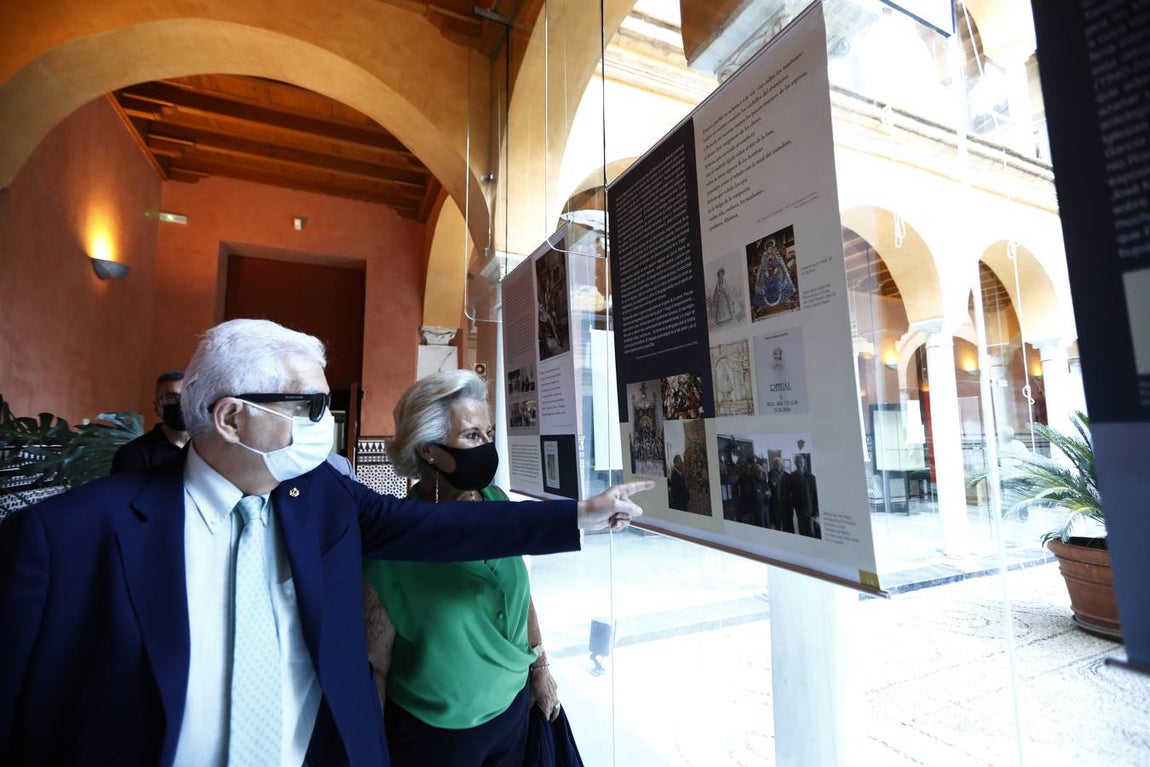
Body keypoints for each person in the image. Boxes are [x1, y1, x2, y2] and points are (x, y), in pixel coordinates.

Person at [0, 318, 651, 767]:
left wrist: (577, 517)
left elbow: (442, 526)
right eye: (308, 408)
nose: (326, 424)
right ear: (231, 416)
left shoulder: (325, 500)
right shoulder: (63, 540)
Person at [361, 370, 560, 766]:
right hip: (436, 739)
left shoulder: (496, 502)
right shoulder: (391, 542)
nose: (487, 446)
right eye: (472, 436)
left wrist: (540, 671)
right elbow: (375, 669)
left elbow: (519, 594)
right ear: (428, 450)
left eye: (488, 433)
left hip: (513, 710)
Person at [111, 370, 190, 473]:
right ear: (156, 407)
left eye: (187, 397)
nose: (180, 404)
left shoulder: (208, 449)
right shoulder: (132, 454)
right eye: (171, 398)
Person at [787, 453, 820, 538]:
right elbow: (790, 493)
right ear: (795, 463)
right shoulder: (791, 477)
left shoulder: (811, 477)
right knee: (802, 531)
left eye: (801, 462)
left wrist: (816, 512)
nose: (799, 464)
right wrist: (793, 505)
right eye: (797, 462)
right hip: (799, 509)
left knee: (811, 532)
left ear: (804, 463)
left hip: (810, 509)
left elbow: (816, 496)